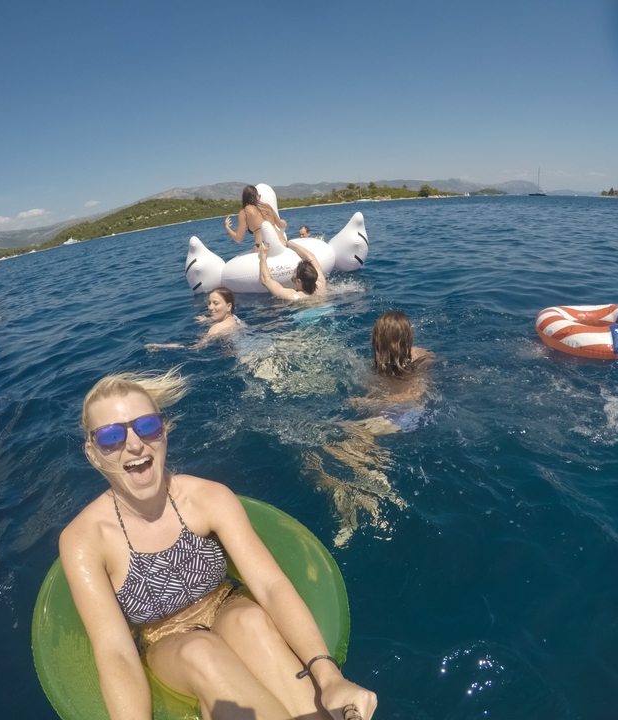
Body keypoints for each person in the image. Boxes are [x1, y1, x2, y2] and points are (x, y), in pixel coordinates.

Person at [60, 368, 376, 720]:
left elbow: (270, 586)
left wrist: (330, 677)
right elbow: (115, 651)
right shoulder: (84, 539)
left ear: (164, 430)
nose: (134, 444)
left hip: (226, 606)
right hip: (166, 641)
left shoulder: (208, 498)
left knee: (253, 622)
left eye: (147, 426)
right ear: (92, 452)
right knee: (200, 650)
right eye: (111, 436)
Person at [306, 311, 434, 546]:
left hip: (407, 415)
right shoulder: (381, 365)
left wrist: (368, 403)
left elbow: (414, 394)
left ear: (379, 339)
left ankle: (373, 495)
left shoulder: (420, 360)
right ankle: (364, 495)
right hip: (392, 416)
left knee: (333, 446)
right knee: (329, 448)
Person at [146, 287, 242, 351]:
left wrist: (162, 346)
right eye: (209, 303)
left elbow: (195, 347)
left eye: (215, 303)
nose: (210, 307)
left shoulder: (215, 329)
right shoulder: (236, 320)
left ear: (229, 306)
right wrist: (207, 320)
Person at [258, 240, 327, 301]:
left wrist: (263, 256)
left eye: (294, 272)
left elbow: (265, 280)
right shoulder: (320, 284)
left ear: (298, 281)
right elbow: (311, 258)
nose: (292, 271)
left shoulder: (294, 296)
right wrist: (288, 243)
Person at [224, 185, 288, 250]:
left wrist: (227, 228)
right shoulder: (267, 206)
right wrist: (284, 223)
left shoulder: (244, 212)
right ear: (256, 196)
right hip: (281, 241)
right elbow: (281, 226)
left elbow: (238, 238)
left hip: (263, 246)